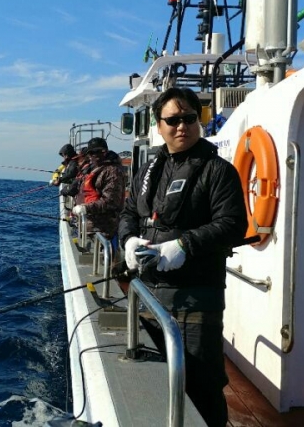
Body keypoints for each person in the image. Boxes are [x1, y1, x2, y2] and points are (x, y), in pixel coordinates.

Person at [118, 87, 248, 427]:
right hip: (150, 296)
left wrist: (185, 245)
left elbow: (233, 225)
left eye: (190, 118)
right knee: (159, 381)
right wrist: (128, 240)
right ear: (159, 125)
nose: (182, 126)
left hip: (196, 301)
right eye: (173, 120)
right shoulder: (148, 170)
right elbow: (130, 212)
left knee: (202, 386)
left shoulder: (218, 171)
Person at [71, 138, 124, 240]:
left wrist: (85, 208)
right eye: (90, 153)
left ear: (105, 151)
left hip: (103, 230)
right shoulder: (95, 169)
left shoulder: (112, 171)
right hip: (89, 226)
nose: (94, 155)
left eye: (98, 152)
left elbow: (111, 201)